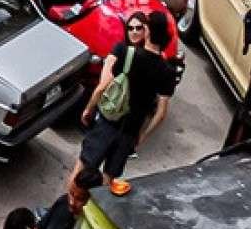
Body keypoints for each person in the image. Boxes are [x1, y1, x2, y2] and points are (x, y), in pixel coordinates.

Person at [76, 13, 179, 197]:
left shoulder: (128, 54)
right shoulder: (167, 71)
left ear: (147, 31)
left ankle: (71, 202)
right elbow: (161, 113)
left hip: (108, 122)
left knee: (83, 168)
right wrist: (142, 135)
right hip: (130, 133)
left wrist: (89, 108)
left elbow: (103, 86)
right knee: (107, 182)